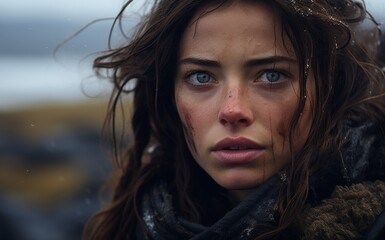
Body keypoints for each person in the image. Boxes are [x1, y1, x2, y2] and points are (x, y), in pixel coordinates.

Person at [83, 0, 385, 239]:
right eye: (201, 77)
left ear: (331, 88)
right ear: (168, 95)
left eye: (272, 75)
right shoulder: (134, 225)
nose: (232, 110)